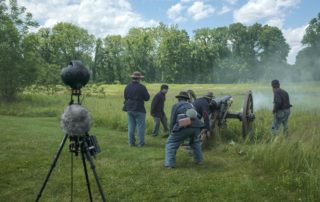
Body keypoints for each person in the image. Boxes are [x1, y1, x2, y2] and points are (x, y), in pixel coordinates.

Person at [165, 91, 204, 168]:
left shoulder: (176, 105)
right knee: (195, 142)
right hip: (196, 127)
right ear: (186, 99)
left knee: (171, 143)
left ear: (179, 99)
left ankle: (170, 164)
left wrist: (171, 131)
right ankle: (199, 160)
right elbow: (198, 116)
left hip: (184, 126)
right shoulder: (191, 105)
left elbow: (173, 120)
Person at [123, 71, 150, 147]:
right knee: (140, 126)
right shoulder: (142, 87)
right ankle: (141, 143)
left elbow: (125, 97)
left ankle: (131, 143)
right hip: (139, 108)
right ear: (139, 79)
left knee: (131, 126)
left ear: (132, 78)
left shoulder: (127, 86)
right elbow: (147, 98)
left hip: (129, 108)